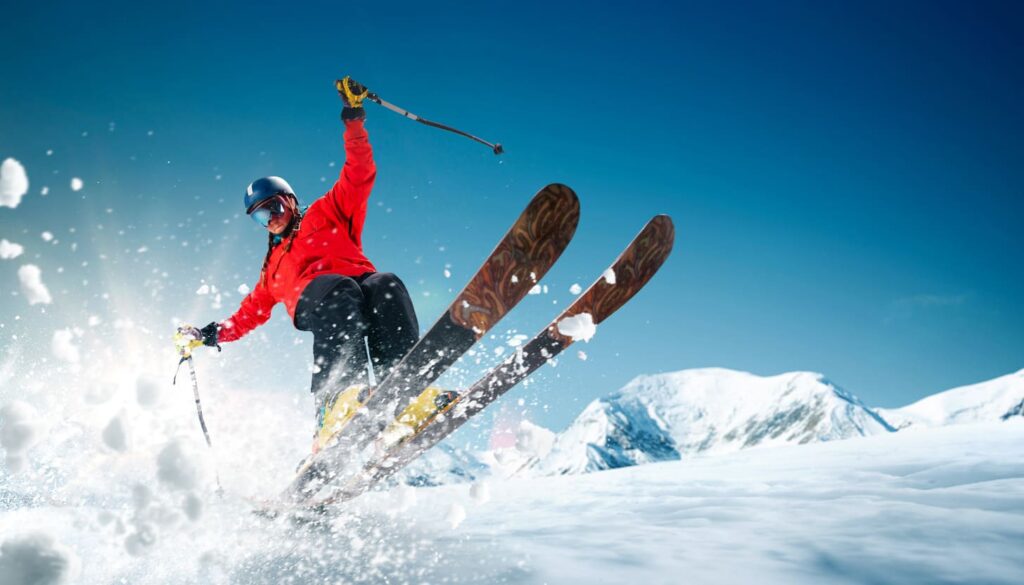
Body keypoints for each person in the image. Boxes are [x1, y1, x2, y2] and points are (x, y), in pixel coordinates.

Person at [192, 77, 419, 440]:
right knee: (338, 289)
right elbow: (247, 314)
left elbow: (359, 174)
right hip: (320, 298)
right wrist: (209, 334)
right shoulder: (273, 270)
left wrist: (354, 119)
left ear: (292, 200)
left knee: (385, 284)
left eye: (276, 207)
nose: (272, 219)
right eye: (261, 217)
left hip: (357, 283)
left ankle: (405, 391)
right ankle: (336, 400)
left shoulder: (327, 212)